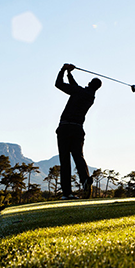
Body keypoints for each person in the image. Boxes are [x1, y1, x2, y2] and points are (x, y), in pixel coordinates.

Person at [55, 63, 101, 199]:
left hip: (65, 128)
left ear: (89, 83)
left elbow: (58, 84)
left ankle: (67, 193)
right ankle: (86, 179)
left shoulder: (79, 92)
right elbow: (75, 87)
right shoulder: (90, 96)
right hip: (78, 129)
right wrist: (70, 74)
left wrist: (63, 70)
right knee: (78, 156)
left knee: (65, 160)